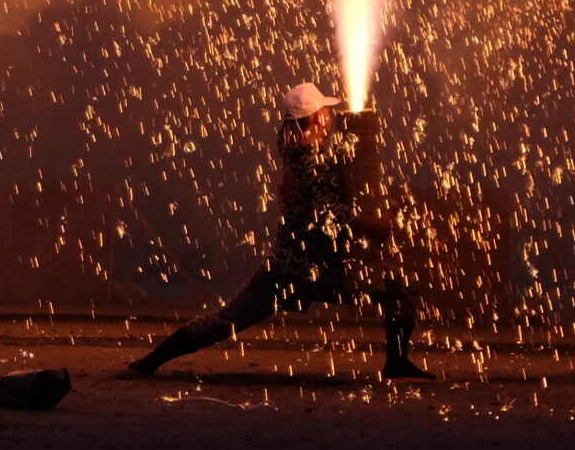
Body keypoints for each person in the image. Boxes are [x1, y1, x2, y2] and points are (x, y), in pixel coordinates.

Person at [129, 82, 429, 381]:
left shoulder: (294, 156)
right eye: (325, 111)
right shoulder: (315, 161)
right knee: (399, 287)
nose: (330, 116)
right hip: (315, 269)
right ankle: (396, 362)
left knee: (227, 319)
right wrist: (379, 225)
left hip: (283, 265)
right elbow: (331, 217)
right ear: (317, 117)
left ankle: (149, 362)